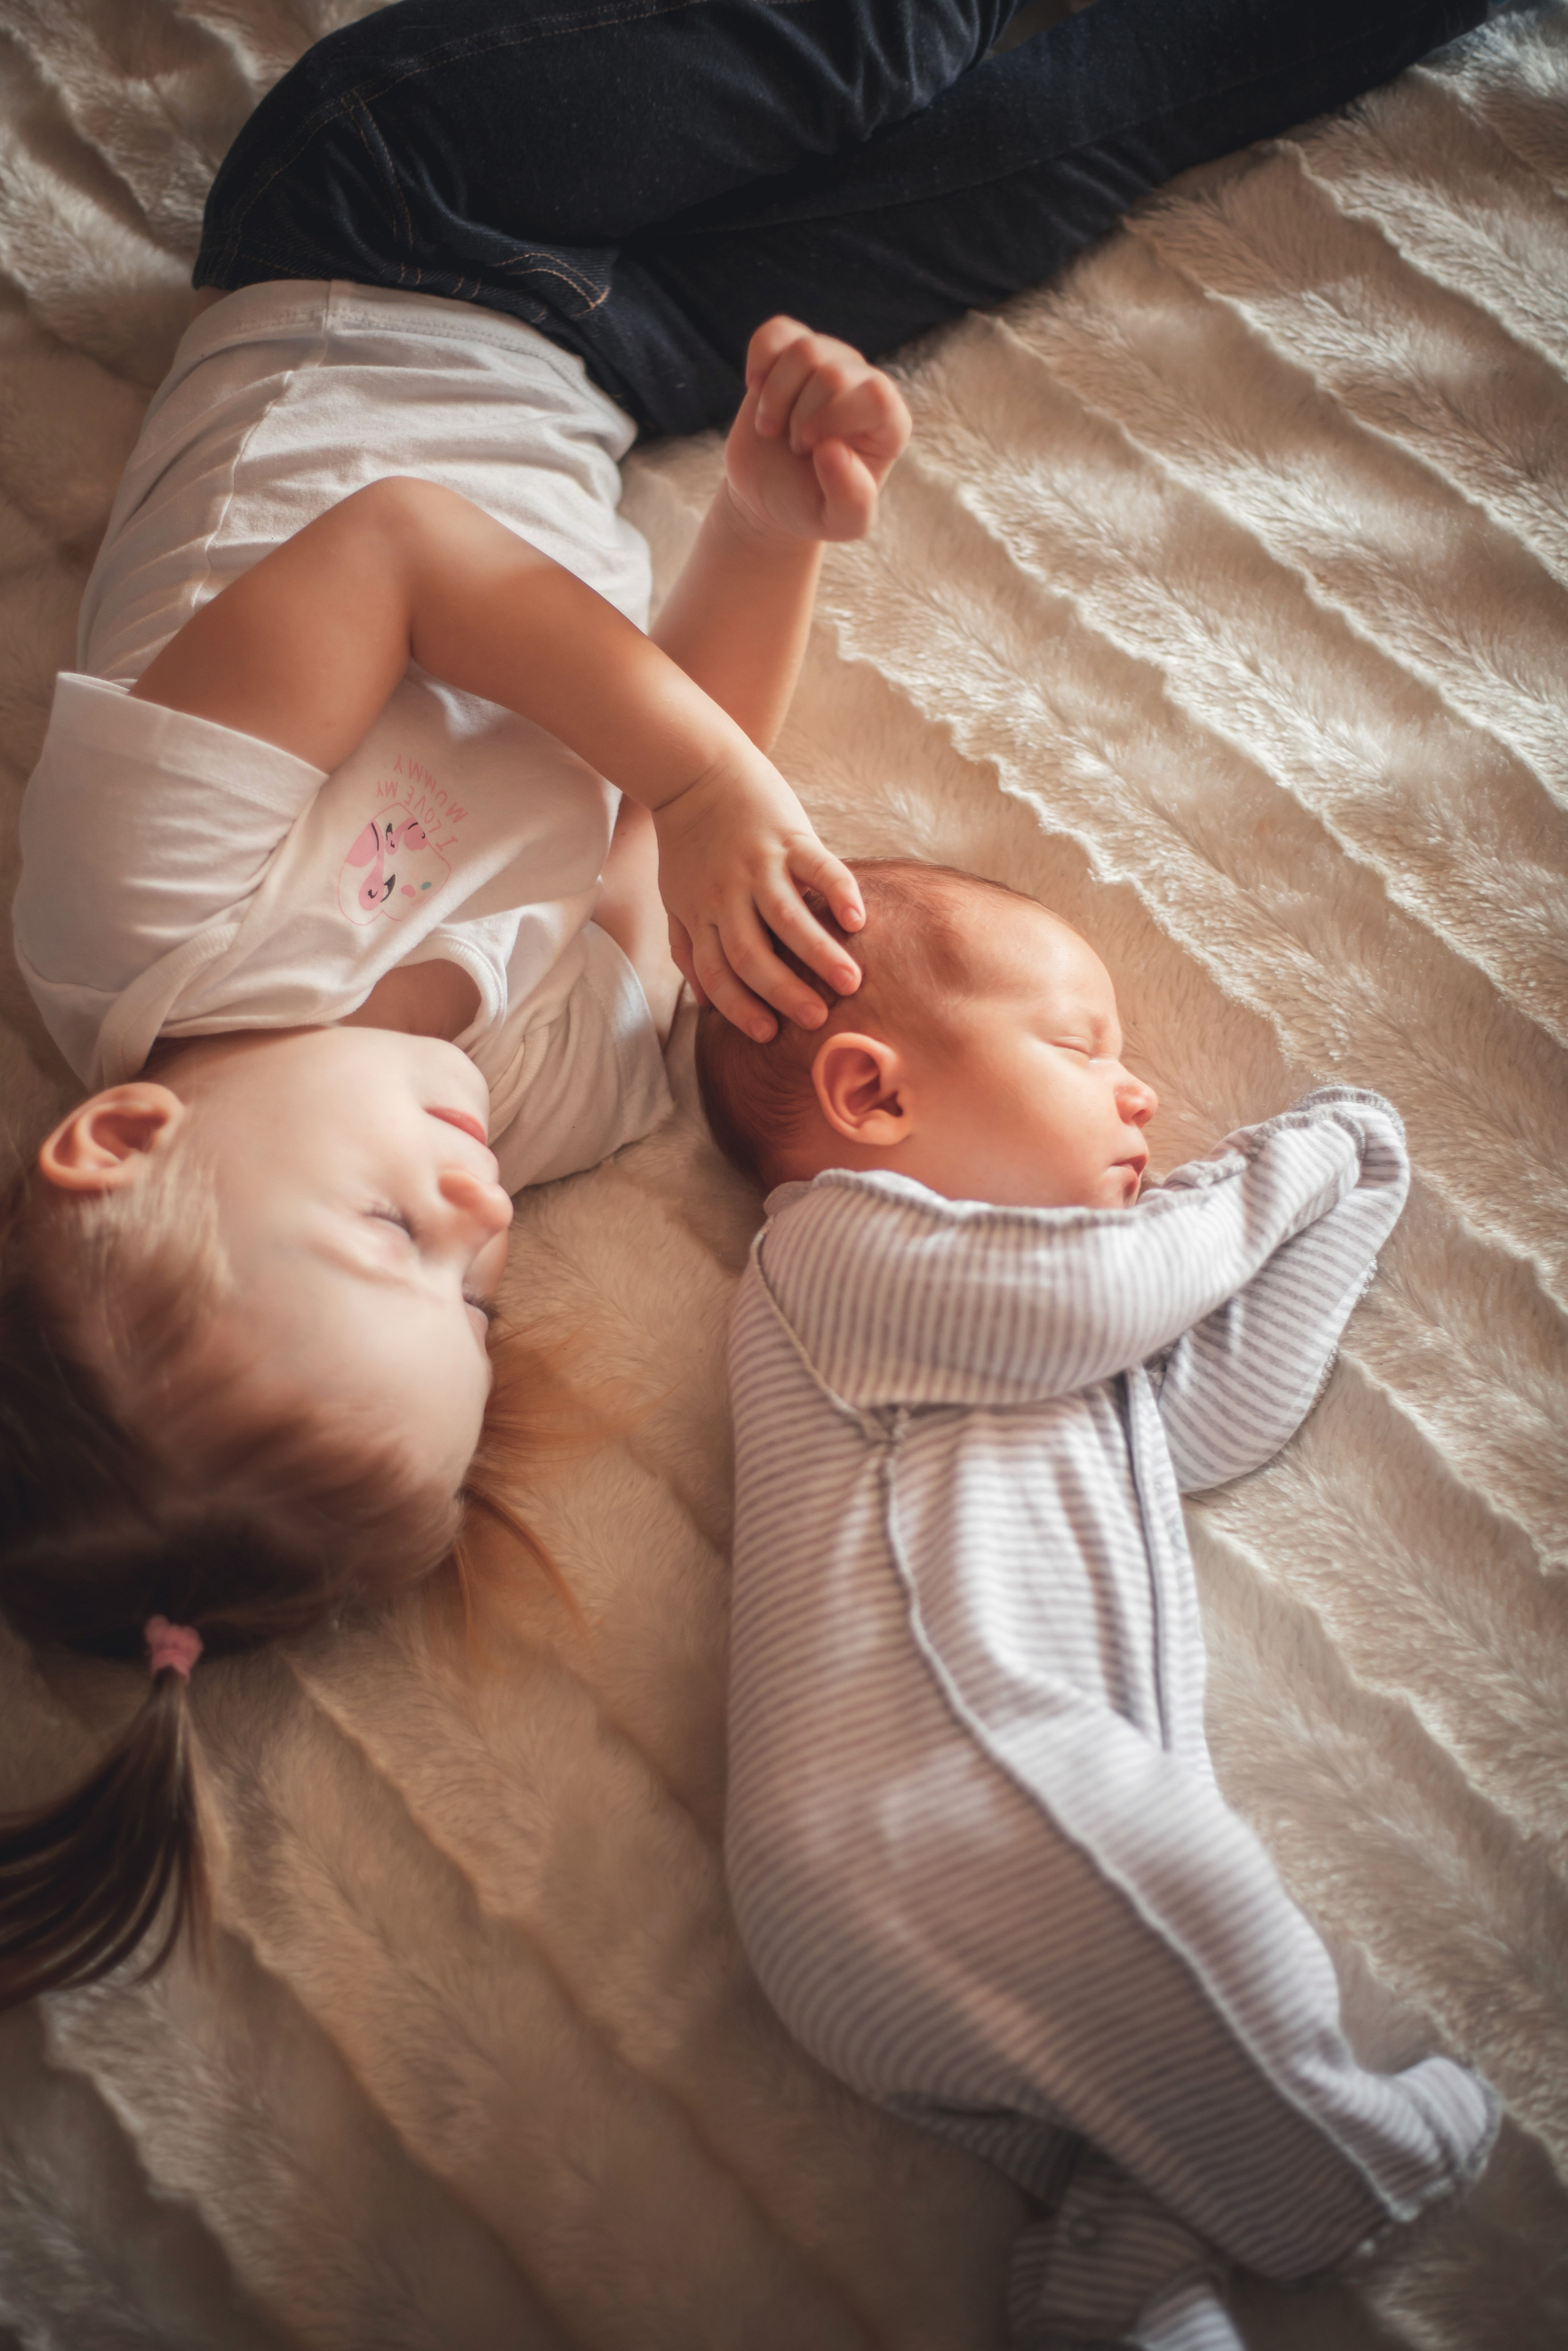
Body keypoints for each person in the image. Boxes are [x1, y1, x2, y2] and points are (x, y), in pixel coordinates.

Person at [1, 0, 1484, 2005]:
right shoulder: (534, 1104)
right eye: (474, 1302)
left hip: (404, 229)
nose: (477, 1224)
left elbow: (412, 552)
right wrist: (767, 540)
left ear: (121, 1137)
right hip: (628, 361)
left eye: (384, 1241)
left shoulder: (134, 930)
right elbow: (689, 873)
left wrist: (704, 779)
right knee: (1057, 153)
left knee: (872, 40)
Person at [695, 861, 1499, 2351]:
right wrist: (1279, 1170)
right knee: (1229, 1939)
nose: (1135, 1095)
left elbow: (1210, 1420)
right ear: (872, 1098)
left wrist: (1351, 1178)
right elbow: (1110, 1297)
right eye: (1079, 1047)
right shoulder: (833, 1248)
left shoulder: (1050, 1323)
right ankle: (1366, 2166)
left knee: (1142, 2124)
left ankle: (1115, 2284)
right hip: (937, 1794)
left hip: (957, 1866)